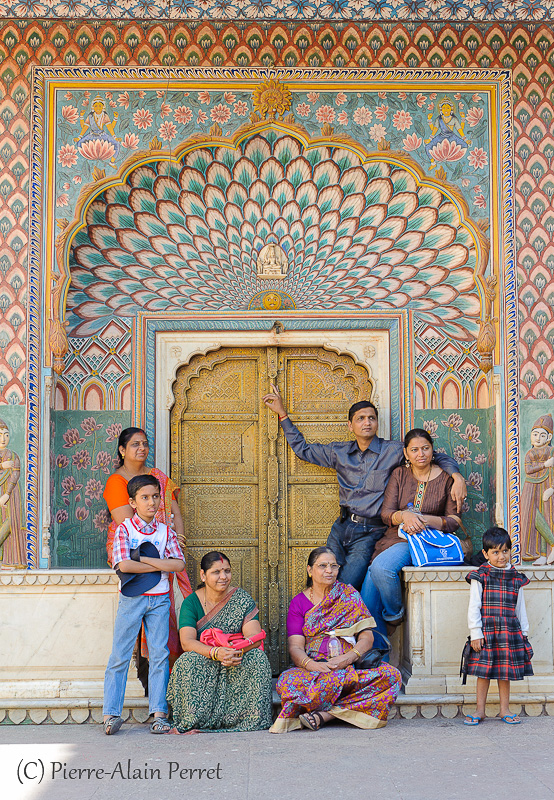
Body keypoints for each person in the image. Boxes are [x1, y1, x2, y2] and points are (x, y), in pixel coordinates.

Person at [263, 386, 465, 589]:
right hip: (341, 527)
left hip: (371, 531)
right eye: (360, 418)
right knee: (324, 578)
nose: (367, 422)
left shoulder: (393, 451)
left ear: (377, 423)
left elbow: (433, 456)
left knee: (348, 584)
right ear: (350, 425)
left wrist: (457, 477)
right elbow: (304, 450)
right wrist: (282, 415)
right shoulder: (339, 452)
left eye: (371, 418)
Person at [270, 547, 401, 733]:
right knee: (287, 682)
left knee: (392, 676)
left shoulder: (349, 595)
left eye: (334, 566)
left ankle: (324, 715)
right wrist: (312, 665)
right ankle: (344, 708)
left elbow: (367, 637)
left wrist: (347, 659)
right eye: (322, 566)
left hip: (350, 668)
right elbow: (296, 647)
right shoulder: (299, 602)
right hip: (316, 669)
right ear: (310, 570)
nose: (329, 571)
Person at [103, 474, 186, 735]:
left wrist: (148, 561)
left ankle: (159, 714)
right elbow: (123, 564)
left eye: (155, 497)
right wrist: (161, 564)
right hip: (132, 599)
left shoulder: (165, 532)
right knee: (120, 654)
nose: (152, 502)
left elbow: (179, 563)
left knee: (159, 655)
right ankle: (111, 714)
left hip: (159, 600)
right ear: (133, 502)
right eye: (145, 498)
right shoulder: (125, 529)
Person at [360, 428, 461, 638]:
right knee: (368, 598)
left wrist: (425, 520)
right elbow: (386, 514)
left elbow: (455, 521)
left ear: (433, 450)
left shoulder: (446, 479)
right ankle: (379, 657)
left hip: (426, 542)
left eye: (425, 448)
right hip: (397, 539)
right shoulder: (399, 474)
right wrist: (405, 516)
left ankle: (393, 616)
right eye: (414, 450)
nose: (420, 454)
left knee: (380, 569)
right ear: (406, 453)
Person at [103, 427, 192, 664]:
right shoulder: (116, 481)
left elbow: (175, 511)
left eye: (144, 444)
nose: (141, 448)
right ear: (122, 450)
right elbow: (127, 523)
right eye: (135, 444)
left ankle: (174, 669)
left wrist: (178, 541)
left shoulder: (157, 477)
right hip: (132, 550)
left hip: (164, 545)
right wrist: (163, 561)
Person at [167, 551, 272, 733]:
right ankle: (194, 718)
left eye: (227, 571)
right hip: (206, 657)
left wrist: (234, 651)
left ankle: (249, 718)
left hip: (237, 655)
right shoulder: (191, 602)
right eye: (216, 572)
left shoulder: (241, 599)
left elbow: (254, 638)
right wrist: (215, 652)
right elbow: (187, 642)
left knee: (258, 659)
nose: (223, 577)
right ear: (203, 575)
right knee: (186, 662)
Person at [463, 527, 533, 726]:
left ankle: (505, 709)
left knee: (505, 672)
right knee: (483, 673)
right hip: (487, 632)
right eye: (495, 552)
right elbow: (474, 606)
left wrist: (524, 633)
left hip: (509, 633)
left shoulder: (516, 577)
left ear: (510, 551)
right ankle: (480, 710)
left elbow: (521, 607)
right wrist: (476, 633)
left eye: (505, 551)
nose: (501, 556)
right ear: (485, 554)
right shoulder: (481, 576)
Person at [520, 414, 554, 564]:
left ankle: (547, 551)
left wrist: (552, 489)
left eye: (542, 435)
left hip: (546, 485)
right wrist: (545, 465)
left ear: (549, 437)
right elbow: (528, 470)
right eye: (535, 434)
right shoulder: (530, 453)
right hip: (531, 487)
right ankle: (545, 551)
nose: (538, 438)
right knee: (533, 518)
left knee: (547, 516)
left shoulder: (551, 452)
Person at [0, 419, 26, 568]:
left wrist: (7, 494)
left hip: (11, 494)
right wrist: (2, 465)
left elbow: (15, 475)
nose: (3, 439)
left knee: (11, 523)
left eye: (6, 435)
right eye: (0, 435)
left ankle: (11, 559)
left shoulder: (13, 455)